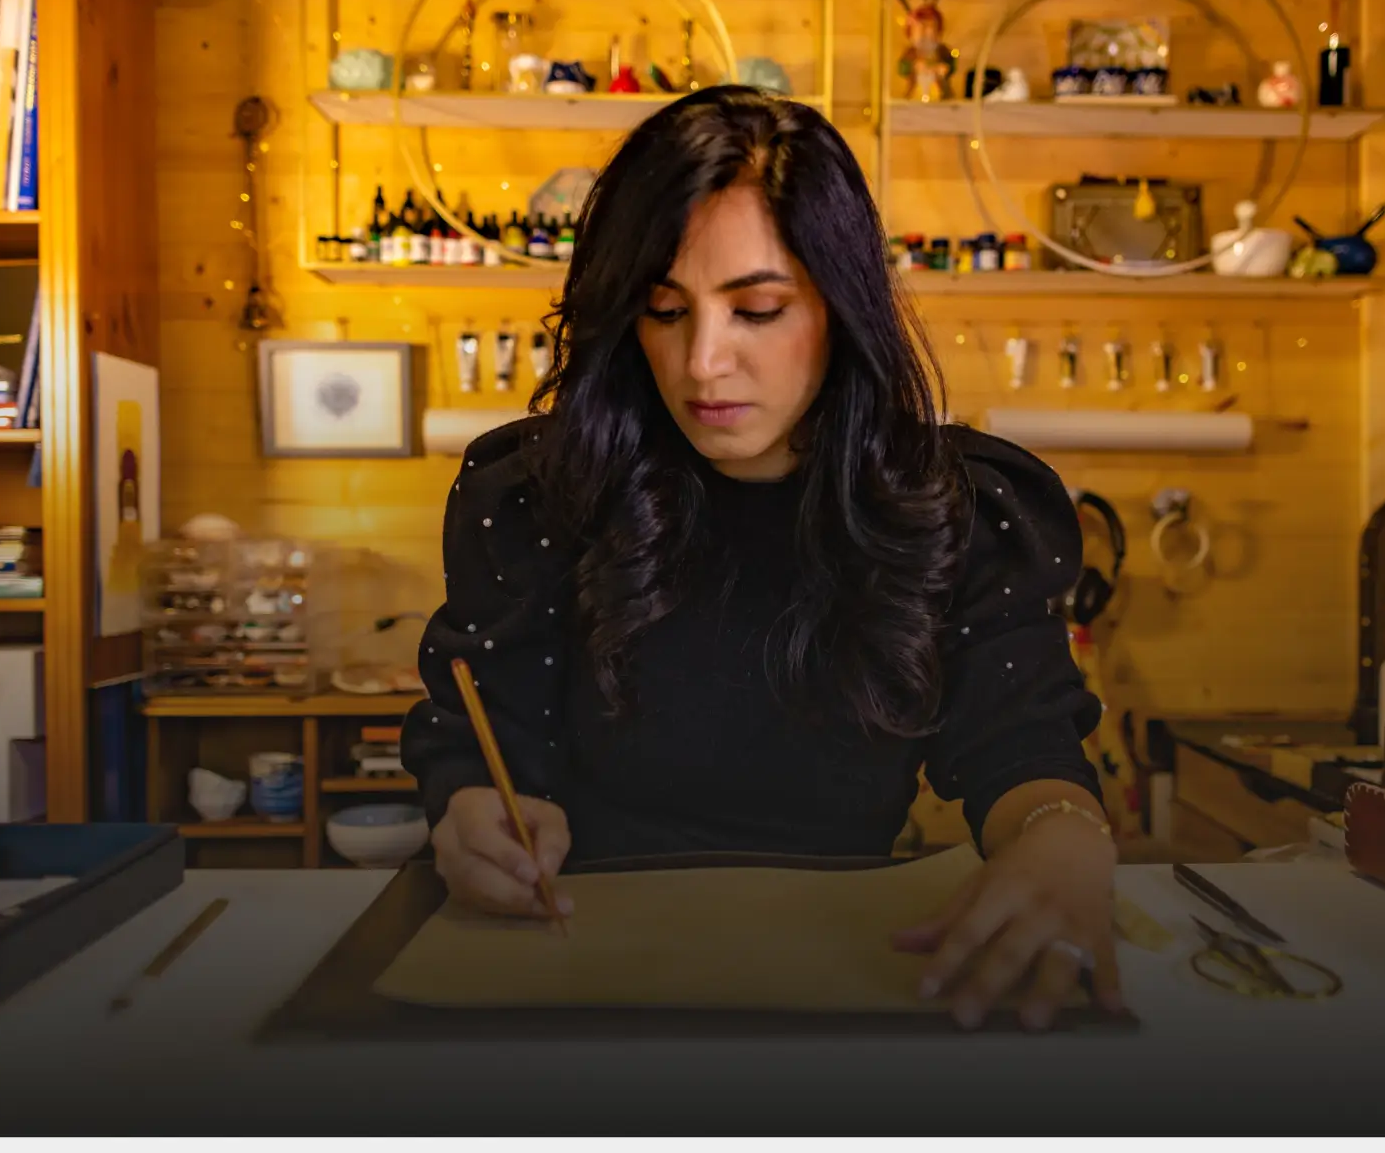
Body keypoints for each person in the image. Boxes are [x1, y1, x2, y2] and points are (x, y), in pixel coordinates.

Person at [401, 85, 1118, 1031]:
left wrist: (1062, 842)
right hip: (580, 974)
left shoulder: (955, 508)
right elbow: (482, 740)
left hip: (842, 977)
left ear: (840, 308)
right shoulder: (541, 494)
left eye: (758, 309)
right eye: (664, 310)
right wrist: (470, 816)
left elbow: (1019, 744)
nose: (702, 362)